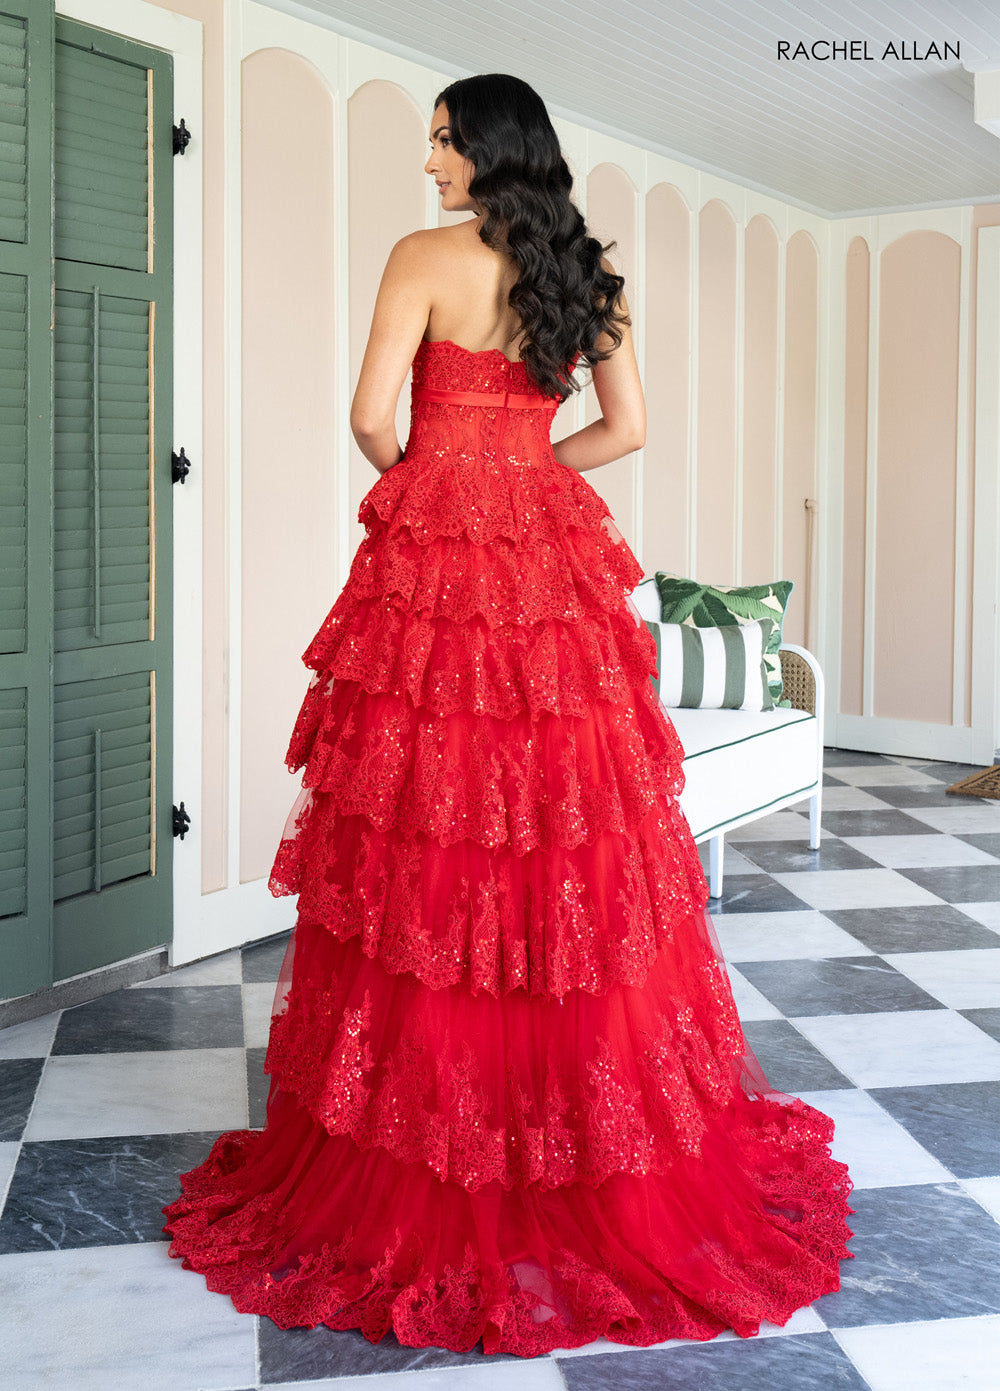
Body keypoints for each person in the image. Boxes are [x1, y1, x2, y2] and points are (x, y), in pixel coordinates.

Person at [163, 72, 853, 1357]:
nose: (426, 157)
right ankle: (566, 1128)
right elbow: (628, 427)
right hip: (546, 570)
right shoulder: (588, 269)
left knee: (426, 826)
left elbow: (372, 418)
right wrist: (526, 474)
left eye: (437, 138)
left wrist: (439, 484)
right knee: (562, 830)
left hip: (436, 573)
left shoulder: (421, 255)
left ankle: (447, 1127)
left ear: (483, 147)